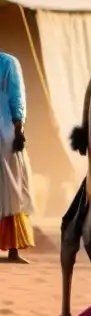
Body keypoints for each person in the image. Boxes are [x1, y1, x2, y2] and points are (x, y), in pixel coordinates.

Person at [0, 52, 34, 263]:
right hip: (5, 131)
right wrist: (19, 127)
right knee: (14, 188)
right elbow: (16, 96)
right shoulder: (9, 62)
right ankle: (13, 249)